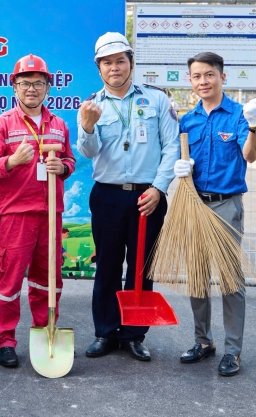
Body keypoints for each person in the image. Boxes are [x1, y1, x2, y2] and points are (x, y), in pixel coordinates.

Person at [76, 32, 179, 362]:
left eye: (120, 61)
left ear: (131, 64)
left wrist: (158, 188)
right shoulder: (92, 105)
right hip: (107, 196)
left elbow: (172, 147)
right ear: (99, 68)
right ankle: (105, 332)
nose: (115, 68)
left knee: (141, 266)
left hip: (148, 196)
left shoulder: (156, 100)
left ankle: (135, 334)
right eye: (107, 63)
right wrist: (87, 127)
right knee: (107, 265)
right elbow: (88, 152)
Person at [0, 53, 76, 368]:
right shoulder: (1, 124)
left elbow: (70, 161)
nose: (31, 89)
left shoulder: (58, 124)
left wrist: (63, 167)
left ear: (48, 86)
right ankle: (5, 342)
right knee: (8, 283)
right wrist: (11, 161)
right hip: (15, 216)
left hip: (51, 215)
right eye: (25, 83)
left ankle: (44, 331)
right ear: (14, 87)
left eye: (38, 83)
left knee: (48, 280)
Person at [173, 52, 256, 377]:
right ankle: (203, 341)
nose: (203, 81)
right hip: (193, 204)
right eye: (197, 76)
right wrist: (180, 167)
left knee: (229, 279)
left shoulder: (239, 115)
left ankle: (233, 351)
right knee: (197, 275)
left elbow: (249, 154)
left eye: (209, 75)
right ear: (190, 80)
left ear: (222, 77)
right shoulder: (188, 120)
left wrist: (254, 127)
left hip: (226, 204)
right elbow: (177, 156)